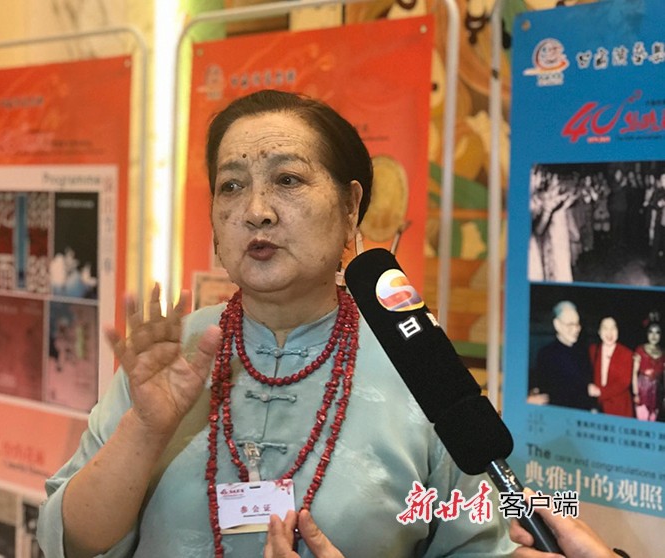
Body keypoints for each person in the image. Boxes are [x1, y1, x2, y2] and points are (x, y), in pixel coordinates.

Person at [36, 90, 517, 557]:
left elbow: (482, 548)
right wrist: (144, 429)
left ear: (351, 207)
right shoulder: (174, 353)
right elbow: (67, 541)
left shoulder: (416, 362)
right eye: (231, 186)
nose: (256, 212)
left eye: (287, 179)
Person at [528, 301, 598, 410]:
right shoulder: (545, 354)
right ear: (557, 324)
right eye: (570, 324)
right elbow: (547, 392)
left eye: (577, 324)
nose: (576, 329)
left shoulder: (584, 353)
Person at [589, 317, 634, 418]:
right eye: (605, 328)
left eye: (613, 328)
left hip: (619, 408)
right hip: (598, 408)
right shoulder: (593, 350)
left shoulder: (627, 353)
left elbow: (624, 382)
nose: (609, 333)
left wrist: (601, 393)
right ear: (599, 332)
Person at [632, 315, 664, 421]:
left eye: (657, 332)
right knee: (641, 421)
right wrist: (636, 393)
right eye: (651, 332)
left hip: (657, 393)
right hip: (642, 390)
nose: (654, 336)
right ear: (647, 333)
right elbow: (634, 373)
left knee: (653, 421)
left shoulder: (663, 354)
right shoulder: (640, 350)